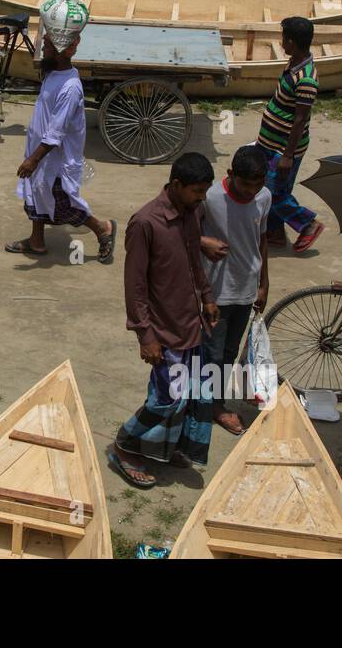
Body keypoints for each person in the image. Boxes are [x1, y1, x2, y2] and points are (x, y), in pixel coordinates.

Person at [108, 153, 220, 489]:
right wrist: (145, 335)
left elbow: (193, 261)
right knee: (166, 398)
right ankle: (125, 447)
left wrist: (207, 297)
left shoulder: (191, 212)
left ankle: (165, 448)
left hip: (191, 323)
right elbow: (135, 285)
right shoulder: (145, 223)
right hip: (164, 329)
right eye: (197, 191)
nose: (202, 198)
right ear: (175, 185)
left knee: (190, 393)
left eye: (205, 191)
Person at [4, 0, 116, 264]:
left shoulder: (70, 88)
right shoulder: (54, 73)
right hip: (42, 154)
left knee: (62, 205)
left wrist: (33, 158)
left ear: (64, 49)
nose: (43, 46)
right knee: (36, 195)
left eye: (48, 45)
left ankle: (103, 228)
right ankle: (36, 241)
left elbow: (56, 132)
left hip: (55, 157)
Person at [198, 145, 270, 436]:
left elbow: (262, 240)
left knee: (229, 350)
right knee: (211, 352)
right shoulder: (211, 197)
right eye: (245, 184)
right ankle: (209, 405)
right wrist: (203, 242)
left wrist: (264, 283)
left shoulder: (264, 197)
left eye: (258, 183)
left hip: (246, 289)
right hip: (216, 291)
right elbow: (183, 231)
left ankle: (215, 402)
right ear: (230, 175)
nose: (251, 191)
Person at [255, 16, 325, 253]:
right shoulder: (294, 63)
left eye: (283, 38)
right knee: (272, 188)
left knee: (273, 193)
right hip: (270, 141)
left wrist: (287, 155)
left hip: (283, 147)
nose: (281, 43)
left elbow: (299, 119)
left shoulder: (305, 78)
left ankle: (308, 224)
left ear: (292, 42)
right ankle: (274, 232)